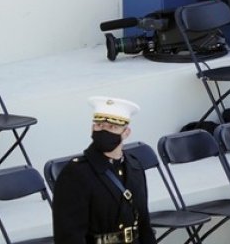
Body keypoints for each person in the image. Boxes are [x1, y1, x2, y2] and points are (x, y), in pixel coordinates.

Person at [52, 96, 155, 244]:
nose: (104, 131)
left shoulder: (134, 166)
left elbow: (144, 224)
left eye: (113, 127)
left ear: (126, 133)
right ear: (92, 128)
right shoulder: (76, 173)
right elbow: (68, 236)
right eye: (99, 126)